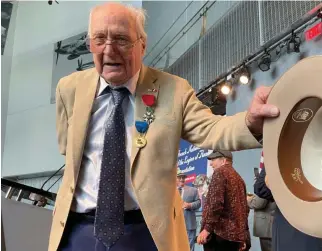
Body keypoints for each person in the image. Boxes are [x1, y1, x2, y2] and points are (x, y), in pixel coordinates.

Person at [49, 2, 279, 251]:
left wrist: (250, 122)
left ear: (142, 44)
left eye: (121, 39)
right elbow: (66, 148)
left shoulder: (173, 90)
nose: (109, 50)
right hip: (78, 230)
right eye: (99, 39)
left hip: (145, 232)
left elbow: (211, 128)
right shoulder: (69, 88)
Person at [255, 154, 322, 251]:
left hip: (304, 221)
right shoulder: (276, 152)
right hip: (293, 222)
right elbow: (260, 188)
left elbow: (260, 188)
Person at [197, 150, 251, 251]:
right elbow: (244, 209)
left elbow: (216, 204)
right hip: (234, 238)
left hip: (220, 235)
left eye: (213, 159)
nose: (210, 163)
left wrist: (207, 229)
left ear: (224, 160)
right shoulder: (239, 179)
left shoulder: (219, 172)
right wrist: (243, 236)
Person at [176, 169, 201, 251]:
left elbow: (198, 203)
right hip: (174, 224)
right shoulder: (171, 191)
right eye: (179, 177)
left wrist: (190, 205)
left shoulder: (193, 190)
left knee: (189, 248)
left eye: (183, 177)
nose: (182, 179)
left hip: (189, 225)